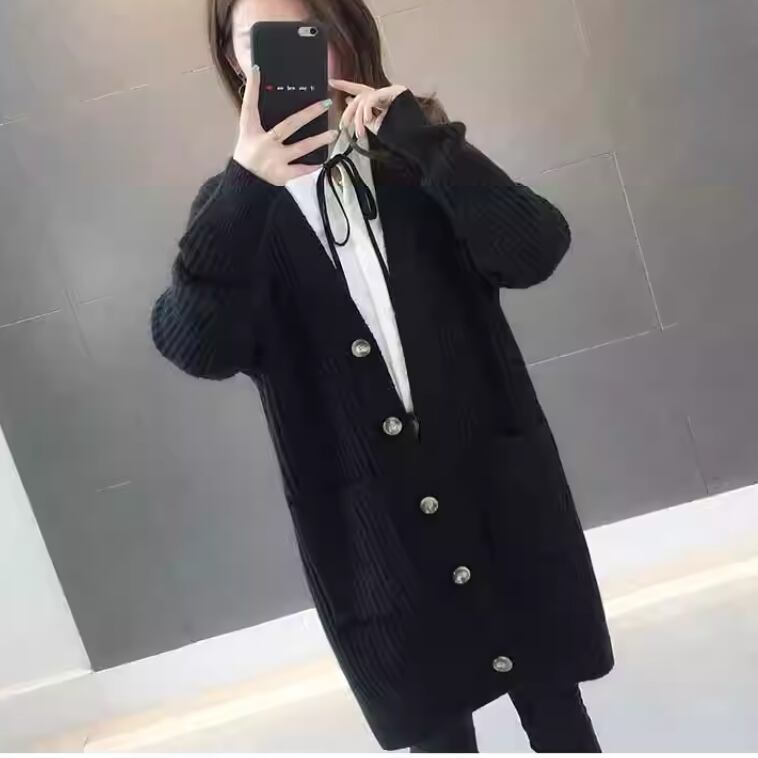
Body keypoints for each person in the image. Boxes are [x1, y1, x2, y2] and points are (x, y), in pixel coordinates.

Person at [151, 0, 614, 752]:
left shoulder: (414, 165)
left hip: (496, 495)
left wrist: (427, 141)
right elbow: (196, 345)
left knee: (558, 713)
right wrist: (245, 187)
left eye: (302, 36)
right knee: (439, 731)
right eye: (256, 43)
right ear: (234, 61)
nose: (283, 60)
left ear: (341, 39)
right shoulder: (237, 213)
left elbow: (534, 249)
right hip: (379, 540)